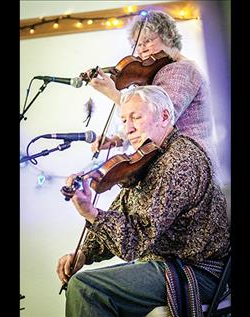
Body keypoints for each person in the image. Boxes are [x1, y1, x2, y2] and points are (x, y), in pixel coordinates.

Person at [56, 85, 230, 317]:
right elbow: (124, 213)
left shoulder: (178, 161)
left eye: (136, 117)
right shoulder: (150, 159)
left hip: (198, 272)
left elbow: (134, 241)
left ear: (164, 116)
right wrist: (85, 254)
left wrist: (91, 213)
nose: (128, 129)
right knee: (84, 283)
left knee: (87, 288)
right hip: (164, 264)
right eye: (124, 120)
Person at [88, 10, 221, 182]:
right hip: (180, 162)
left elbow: (158, 117)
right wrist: (117, 139)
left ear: (168, 36)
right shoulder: (163, 71)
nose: (141, 49)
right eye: (137, 44)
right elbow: (145, 121)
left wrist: (113, 94)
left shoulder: (181, 70)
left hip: (192, 166)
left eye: (147, 41)